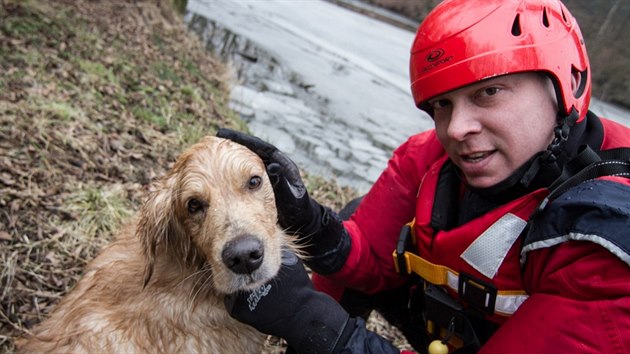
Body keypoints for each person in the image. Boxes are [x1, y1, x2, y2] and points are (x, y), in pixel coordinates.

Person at [218, 0, 630, 353]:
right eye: (441, 105)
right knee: (353, 217)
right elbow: (370, 262)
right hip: (462, 331)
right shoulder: (431, 158)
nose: (455, 128)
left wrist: (313, 323)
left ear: (567, 81)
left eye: (487, 92)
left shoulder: (607, 235)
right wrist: (308, 220)